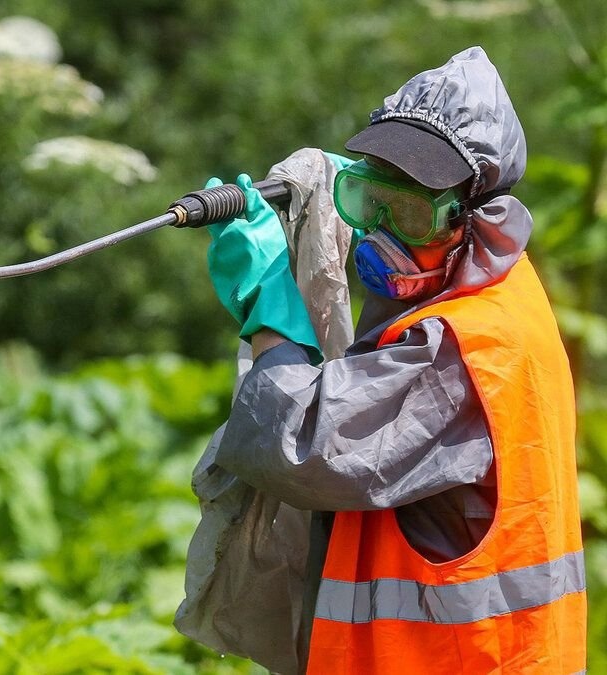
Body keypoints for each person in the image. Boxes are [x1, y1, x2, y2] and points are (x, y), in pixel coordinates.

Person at [201, 46, 585, 673]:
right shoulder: (500, 283)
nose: (380, 233)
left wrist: (269, 306)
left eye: (408, 212)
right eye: (364, 199)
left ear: (477, 218)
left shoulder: (465, 349)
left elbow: (301, 447)